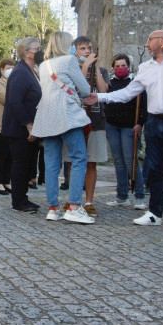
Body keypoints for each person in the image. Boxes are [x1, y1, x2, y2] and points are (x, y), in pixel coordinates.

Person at [84, 29, 163, 230]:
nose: (146, 44)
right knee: (155, 168)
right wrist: (100, 97)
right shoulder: (145, 67)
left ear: (161, 41)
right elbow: (128, 93)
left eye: (149, 40)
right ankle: (155, 212)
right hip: (154, 121)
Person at [30, 32, 94, 223]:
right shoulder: (69, 60)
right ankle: (74, 207)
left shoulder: (43, 65)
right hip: (67, 115)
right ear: (67, 44)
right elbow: (84, 89)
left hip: (47, 117)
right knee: (79, 158)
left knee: (51, 165)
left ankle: (53, 208)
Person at [2, 37, 43, 213]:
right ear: (26, 52)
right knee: (20, 164)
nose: (40, 51)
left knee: (26, 164)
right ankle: (18, 201)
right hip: (20, 128)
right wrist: (29, 124)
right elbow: (15, 101)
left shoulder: (31, 70)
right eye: (37, 48)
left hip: (28, 126)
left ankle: (23, 197)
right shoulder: (20, 72)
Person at [103, 54, 147, 209]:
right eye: (117, 66)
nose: (120, 68)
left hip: (129, 125)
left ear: (128, 66)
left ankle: (139, 195)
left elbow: (143, 105)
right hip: (112, 125)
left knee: (131, 161)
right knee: (118, 161)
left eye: (123, 65)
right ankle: (122, 195)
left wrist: (140, 123)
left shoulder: (135, 83)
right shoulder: (110, 83)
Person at [72, 36, 110, 217]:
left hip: (96, 120)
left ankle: (89, 201)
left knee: (91, 162)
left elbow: (103, 91)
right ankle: (74, 200)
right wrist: (85, 67)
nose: (87, 51)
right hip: (76, 121)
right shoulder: (73, 69)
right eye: (82, 48)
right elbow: (78, 90)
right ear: (75, 51)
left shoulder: (101, 70)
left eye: (89, 48)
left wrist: (96, 69)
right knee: (75, 162)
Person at [0, 57, 15, 195]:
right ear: (1, 69)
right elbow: (8, 99)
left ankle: (6, 181)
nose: (10, 70)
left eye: (12, 67)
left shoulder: (14, 83)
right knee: (1, 154)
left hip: (11, 125)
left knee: (10, 155)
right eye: (7, 68)